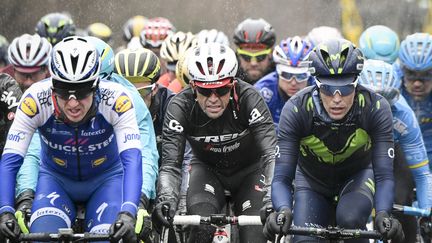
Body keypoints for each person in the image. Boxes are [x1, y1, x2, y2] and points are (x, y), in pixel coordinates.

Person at [0, 36, 142, 243]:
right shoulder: (35, 100)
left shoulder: (116, 100)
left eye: (83, 91)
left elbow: (133, 159)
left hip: (107, 179)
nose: (73, 103)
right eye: (65, 92)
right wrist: (5, 210)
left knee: (110, 239)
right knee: (41, 238)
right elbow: (11, 160)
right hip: (56, 180)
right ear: (52, 87)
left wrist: (129, 211)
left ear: (96, 86)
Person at [263, 39, 404, 243]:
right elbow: (282, 177)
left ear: (357, 83)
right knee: (304, 240)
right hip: (312, 182)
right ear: (317, 85)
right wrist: (282, 210)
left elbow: (384, 176)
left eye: (346, 89)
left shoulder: (375, 107)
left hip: (357, 177)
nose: (337, 98)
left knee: (350, 220)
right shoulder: (296, 109)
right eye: (328, 89)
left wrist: (383, 213)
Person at [152, 43, 277, 243]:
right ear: (193, 87)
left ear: (232, 84)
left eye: (221, 90)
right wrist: (166, 200)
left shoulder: (249, 98)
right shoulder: (179, 107)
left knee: (254, 238)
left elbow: (271, 153)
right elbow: (171, 165)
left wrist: (272, 199)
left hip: (250, 173)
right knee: (201, 231)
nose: (213, 99)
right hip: (208, 172)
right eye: (204, 90)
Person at [359, 59, 432, 243]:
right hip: (355, 152)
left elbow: (422, 174)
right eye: (371, 101)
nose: (378, 110)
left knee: (400, 199)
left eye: (386, 103)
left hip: (392, 151)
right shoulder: (341, 108)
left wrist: (426, 214)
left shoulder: (404, 115)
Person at [254, 36, 313, 128]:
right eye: (287, 75)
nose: (293, 82)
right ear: (277, 72)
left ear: (310, 75)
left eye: (300, 76)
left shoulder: (320, 89)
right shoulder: (263, 91)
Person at [398, 33, 432, 164]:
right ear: (402, 70)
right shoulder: (392, 86)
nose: (417, 83)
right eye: (411, 74)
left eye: (427, 75)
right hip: (401, 158)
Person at [233, 18, 276, 85]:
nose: (253, 63)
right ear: (237, 55)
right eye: (246, 57)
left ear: (271, 54)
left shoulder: (284, 79)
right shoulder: (228, 81)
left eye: (260, 57)